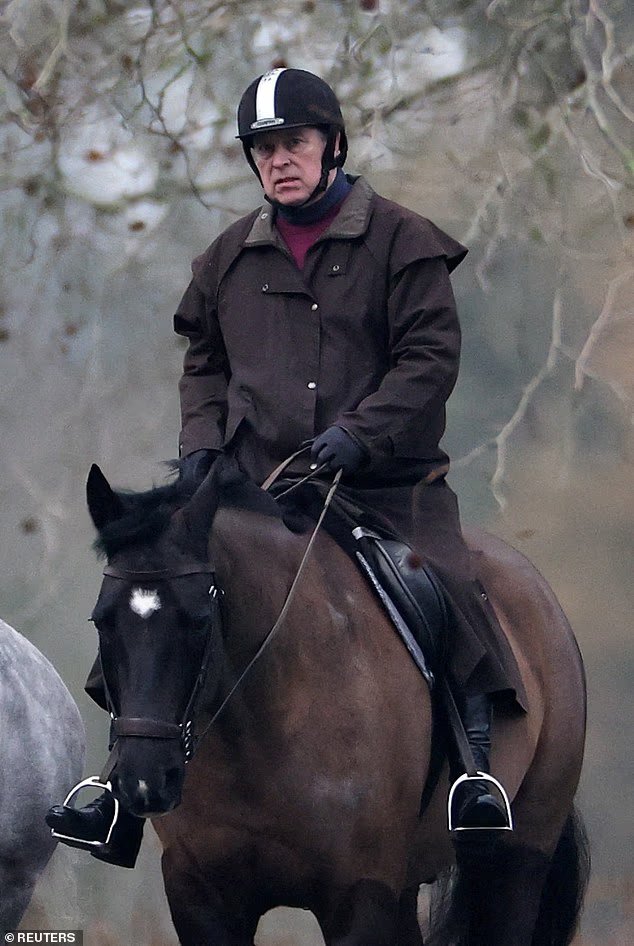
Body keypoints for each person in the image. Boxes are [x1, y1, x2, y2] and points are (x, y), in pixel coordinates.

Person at [47, 67, 521, 866]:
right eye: (264, 150)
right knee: (148, 589)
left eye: (293, 143)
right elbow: (204, 364)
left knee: (442, 583)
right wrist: (202, 443)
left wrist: (360, 435)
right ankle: (118, 787)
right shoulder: (227, 257)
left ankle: (473, 772)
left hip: (384, 485)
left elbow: (429, 358)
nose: (279, 160)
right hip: (253, 485)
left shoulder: (405, 242)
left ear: (332, 145)